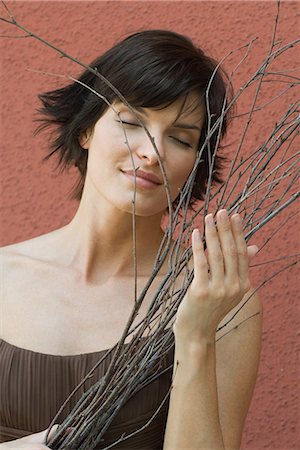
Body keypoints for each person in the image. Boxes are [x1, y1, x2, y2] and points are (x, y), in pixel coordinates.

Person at [0, 30, 262, 449]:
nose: (152, 152)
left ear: (196, 166)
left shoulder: (220, 298)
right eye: (130, 121)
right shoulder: (3, 278)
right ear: (85, 130)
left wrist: (194, 337)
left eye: (180, 138)